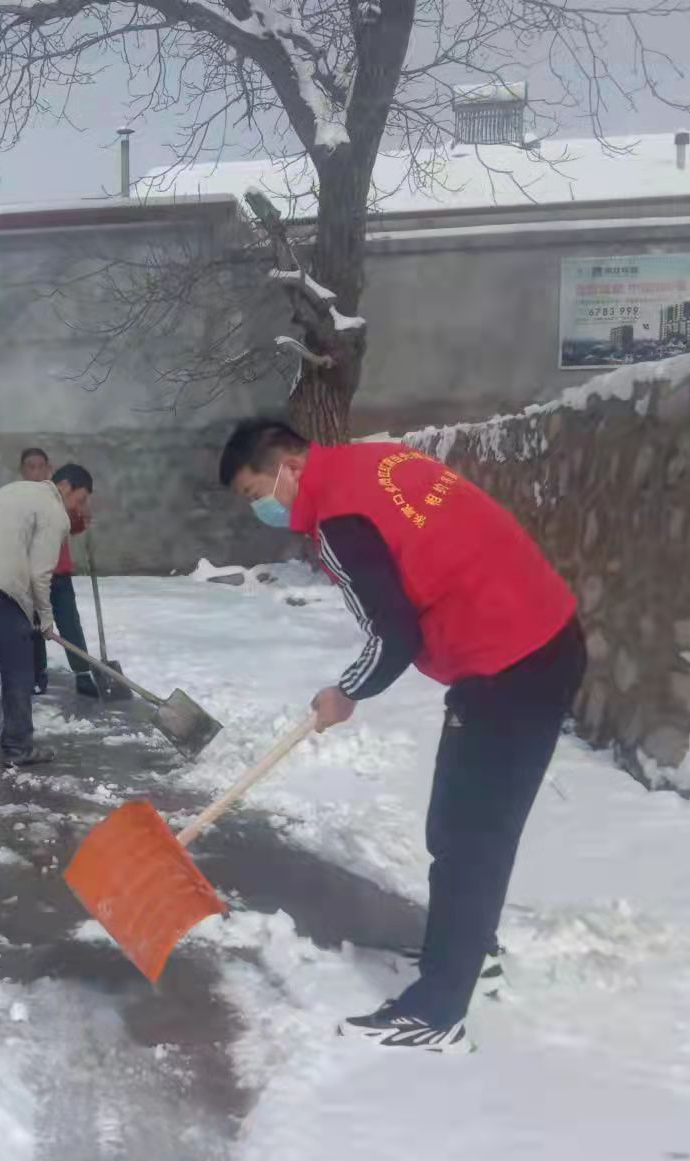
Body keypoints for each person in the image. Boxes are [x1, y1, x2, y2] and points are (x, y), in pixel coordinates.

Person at [221, 418, 585, 1053]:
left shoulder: (335, 519)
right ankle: (471, 950)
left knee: (466, 836)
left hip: (507, 662)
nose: (263, 510)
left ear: (288, 467)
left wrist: (346, 692)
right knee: (472, 831)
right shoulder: (376, 462)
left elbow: (393, 636)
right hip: (542, 635)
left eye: (258, 494)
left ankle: (439, 1009)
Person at [0, 463, 93, 767]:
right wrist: (46, 618)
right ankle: (18, 747)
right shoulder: (54, 512)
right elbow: (41, 573)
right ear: (65, 487)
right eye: (80, 499)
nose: (77, 508)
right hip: (1, 592)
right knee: (19, 672)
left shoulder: (12, 490)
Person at [20, 447, 98, 698]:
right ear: (23, 471)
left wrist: (82, 518)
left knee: (69, 623)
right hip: (30, 574)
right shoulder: (20, 499)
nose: (35, 471)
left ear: (49, 469)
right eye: (30, 467)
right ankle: (36, 673)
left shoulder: (60, 497)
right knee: (34, 627)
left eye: (40, 466)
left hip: (60, 573)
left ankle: (82, 673)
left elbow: (71, 527)